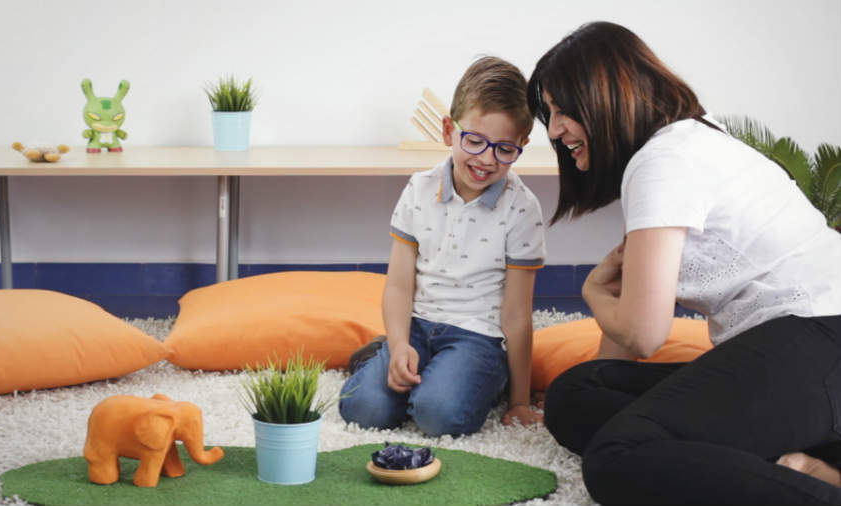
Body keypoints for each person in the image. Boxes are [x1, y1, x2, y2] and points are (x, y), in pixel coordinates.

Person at [527, 21, 841, 505]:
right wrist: (610, 323)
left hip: (818, 341)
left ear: (607, 95)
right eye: (548, 114)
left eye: (563, 109)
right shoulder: (679, 146)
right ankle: (791, 461)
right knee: (576, 393)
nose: (554, 130)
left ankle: (814, 479)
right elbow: (626, 331)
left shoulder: (662, 163)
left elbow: (644, 333)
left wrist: (591, 293)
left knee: (616, 457)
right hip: (802, 351)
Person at [338, 56, 547, 437]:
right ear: (449, 129)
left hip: (478, 338)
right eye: (474, 141)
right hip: (417, 326)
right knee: (362, 408)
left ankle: (480, 380)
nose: (486, 159)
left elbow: (518, 314)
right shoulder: (419, 189)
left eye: (505, 149)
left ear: (522, 145)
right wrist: (399, 344)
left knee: (438, 415)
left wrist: (520, 401)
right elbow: (399, 285)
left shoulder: (522, 207)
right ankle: (385, 355)